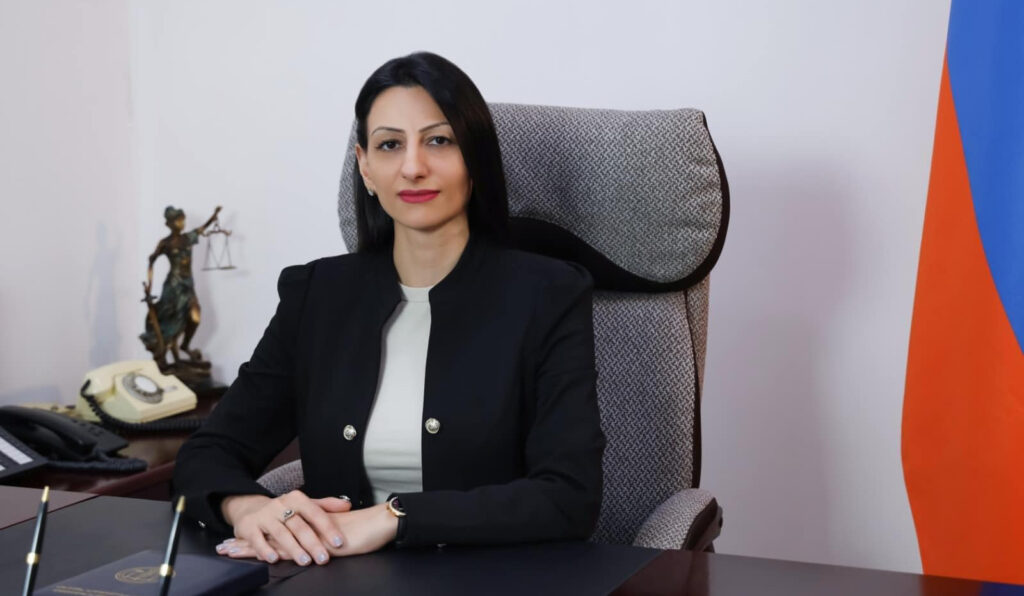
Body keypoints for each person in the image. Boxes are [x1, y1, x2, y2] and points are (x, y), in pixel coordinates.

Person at [172, 52, 605, 567]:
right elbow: (208, 453)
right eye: (390, 144)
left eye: (439, 141)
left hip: (495, 577)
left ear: (475, 159)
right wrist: (248, 508)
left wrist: (391, 518)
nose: (413, 167)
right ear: (365, 167)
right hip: (336, 579)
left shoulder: (547, 294)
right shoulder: (317, 296)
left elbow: (568, 497)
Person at [140, 205, 221, 366]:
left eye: (182, 220)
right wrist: (149, 285)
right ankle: (170, 354)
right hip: (173, 286)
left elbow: (202, 228)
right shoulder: (165, 243)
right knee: (174, 322)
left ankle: (185, 346)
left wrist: (214, 216)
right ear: (169, 223)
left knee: (195, 317)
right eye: (178, 220)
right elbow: (151, 261)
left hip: (188, 285)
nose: (181, 223)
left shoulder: (187, 238)